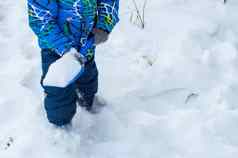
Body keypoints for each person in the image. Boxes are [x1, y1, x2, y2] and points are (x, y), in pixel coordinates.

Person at [27, 0, 119, 126]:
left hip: (86, 45)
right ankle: (60, 129)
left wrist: (104, 26)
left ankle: (88, 104)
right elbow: (40, 18)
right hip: (56, 51)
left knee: (88, 84)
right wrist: (65, 50)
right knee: (59, 95)